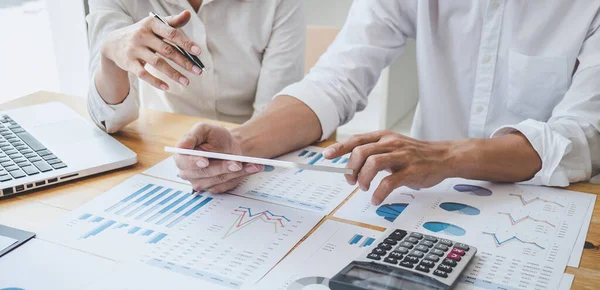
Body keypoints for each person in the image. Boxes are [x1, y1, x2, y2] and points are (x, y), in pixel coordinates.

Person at [174, 1, 600, 205]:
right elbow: (334, 82)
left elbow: (581, 138)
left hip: (552, 209)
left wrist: (448, 154)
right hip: (427, 201)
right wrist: (240, 146)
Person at [87, 0, 305, 135]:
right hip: (165, 145)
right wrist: (110, 57)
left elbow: (274, 115)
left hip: (253, 140)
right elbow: (110, 120)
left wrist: (236, 149)